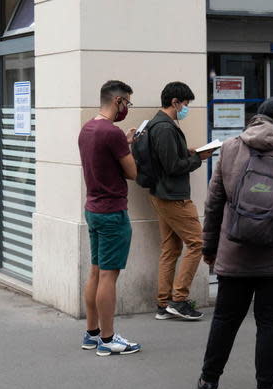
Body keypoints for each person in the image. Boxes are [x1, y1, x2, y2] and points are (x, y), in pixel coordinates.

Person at [195, 96, 273, 389]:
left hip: (234, 253)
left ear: (258, 118)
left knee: (225, 319)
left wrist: (209, 247)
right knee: (271, 323)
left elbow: (214, 202)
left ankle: (208, 383)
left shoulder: (231, 148)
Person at [78, 80, 142, 356]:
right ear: (117, 101)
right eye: (127, 102)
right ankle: (108, 339)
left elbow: (102, 159)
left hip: (92, 208)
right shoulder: (112, 133)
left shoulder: (87, 128)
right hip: (112, 211)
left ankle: (92, 334)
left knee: (95, 271)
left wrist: (123, 144)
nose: (127, 107)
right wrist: (128, 148)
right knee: (108, 276)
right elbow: (132, 173)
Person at [147, 82, 212, 321]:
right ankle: (179, 300)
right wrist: (199, 159)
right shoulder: (164, 127)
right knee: (196, 243)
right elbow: (172, 166)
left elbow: (169, 157)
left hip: (162, 194)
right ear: (175, 102)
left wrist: (189, 152)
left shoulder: (158, 124)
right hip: (173, 196)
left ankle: (164, 303)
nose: (186, 108)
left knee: (171, 248)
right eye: (185, 104)